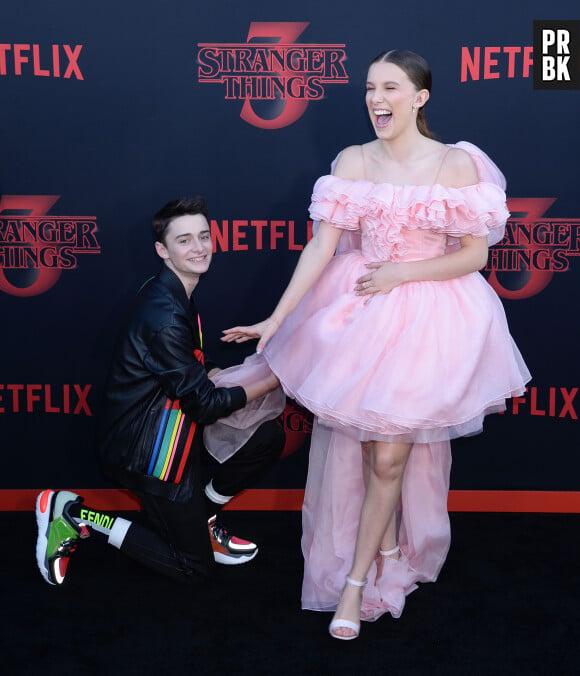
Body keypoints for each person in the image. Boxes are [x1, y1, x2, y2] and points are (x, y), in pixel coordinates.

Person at [222, 50, 531, 639]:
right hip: (357, 314)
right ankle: (387, 552)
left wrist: (399, 275)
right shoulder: (353, 160)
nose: (375, 98)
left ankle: (356, 586)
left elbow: (474, 254)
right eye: (369, 88)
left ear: (420, 97)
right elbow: (321, 247)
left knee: (389, 453)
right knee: (367, 447)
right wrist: (276, 319)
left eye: (390, 87)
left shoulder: (455, 164)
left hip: (428, 318)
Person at [36, 196, 284, 587]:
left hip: (172, 425)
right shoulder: (165, 314)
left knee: (266, 436)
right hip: (147, 448)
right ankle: (78, 516)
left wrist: (227, 372)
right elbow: (203, 405)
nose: (199, 247)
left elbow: (187, 374)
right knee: (192, 567)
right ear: (162, 250)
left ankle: (201, 519)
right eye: (184, 240)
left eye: (203, 236)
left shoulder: (174, 293)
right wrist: (272, 379)